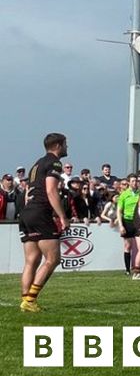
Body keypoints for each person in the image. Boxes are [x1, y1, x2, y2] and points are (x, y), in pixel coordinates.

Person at [17, 133, 70, 313]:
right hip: (40, 213)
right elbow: (51, 190)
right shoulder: (54, 163)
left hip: (27, 213)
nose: (67, 147)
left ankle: (26, 300)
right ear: (57, 145)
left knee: (31, 260)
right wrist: (62, 216)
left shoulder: (36, 164)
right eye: (65, 144)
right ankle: (30, 300)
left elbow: (27, 192)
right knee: (53, 259)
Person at [115, 174, 140, 277]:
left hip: (138, 221)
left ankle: (139, 267)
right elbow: (119, 211)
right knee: (128, 246)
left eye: (136, 181)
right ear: (129, 183)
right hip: (127, 221)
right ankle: (127, 269)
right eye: (133, 181)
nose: (135, 183)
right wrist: (121, 225)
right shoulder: (124, 194)